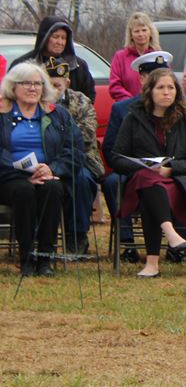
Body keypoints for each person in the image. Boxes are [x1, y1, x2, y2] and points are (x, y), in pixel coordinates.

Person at [110, 68, 186, 277]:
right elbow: (116, 157)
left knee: (150, 190)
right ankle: (170, 234)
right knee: (148, 181)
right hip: (141, 180)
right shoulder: (133, 118)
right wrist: (143, 166)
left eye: (170, 87)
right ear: (150, 91)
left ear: (177, 92)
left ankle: (152, 264)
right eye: (160, 87)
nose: (166, 92)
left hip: (177, 184)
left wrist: (170, 169)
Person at [0, 63, 80, 275]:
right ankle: (27, 257)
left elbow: (74, 149)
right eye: (26, 83)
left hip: (48, 174)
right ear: (13, 87)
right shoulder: (2, 112)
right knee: (24, 191)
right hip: (9, 178)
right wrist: (21, 173)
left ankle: (46, 258)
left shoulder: (58, 114)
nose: (33, 88)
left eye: (37, 83)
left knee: (52, 190)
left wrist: (52, 168)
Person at [101, 50, 175, 261]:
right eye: (152, 77)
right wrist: (138, 166)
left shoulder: (182, 109)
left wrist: (170, 166)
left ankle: (176, 245)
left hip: (169, 169)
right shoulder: (123, 109)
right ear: (142, 79)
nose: (160, 85)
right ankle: (128, 244)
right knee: (112, 182)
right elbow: (110, 149)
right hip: (132, 170)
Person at [44, 60, 102, 253]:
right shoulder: (36, 104)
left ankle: (76, 236)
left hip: (81, 159)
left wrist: (54, 140)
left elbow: (86, 134)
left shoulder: (82, 101)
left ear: (67, 83)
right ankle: (40, 238)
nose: (53, 90)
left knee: (81, 181)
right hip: (45, 161)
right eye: (48, 84)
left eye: (57, 85)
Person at [12, 15, 95, 100]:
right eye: (55, 37)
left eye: (63, 38)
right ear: (44, 38)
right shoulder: (23, 64)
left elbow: (89, 97)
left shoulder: (78, 66)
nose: (60, 42)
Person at [108, 13, 161, 102]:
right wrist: (132, 102)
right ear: (131, 35)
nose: (141, 34)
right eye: (137, 31)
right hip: (128, 107)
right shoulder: (120, 57)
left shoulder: (158, 56)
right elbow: (115, 86)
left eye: (144, 30)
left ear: (150, 32)